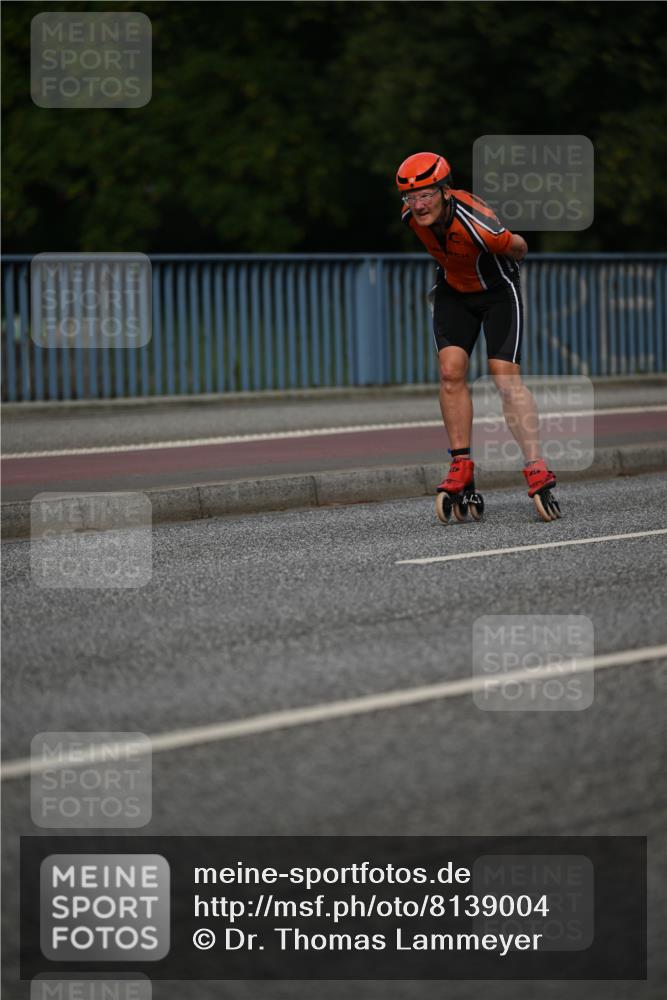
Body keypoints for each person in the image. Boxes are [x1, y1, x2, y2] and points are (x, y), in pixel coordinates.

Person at [396, 151, 560, 522]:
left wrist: (507, 242)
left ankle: (536, 466)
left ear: (445, 191)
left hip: (498, 293)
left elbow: (520, 249)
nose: (418, 205)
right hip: (454, 291)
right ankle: (461, 465)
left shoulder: (480, 224)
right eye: (410, 197)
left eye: (426, 195)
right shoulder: (410, 217)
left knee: (504, 379)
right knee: (450, 372)